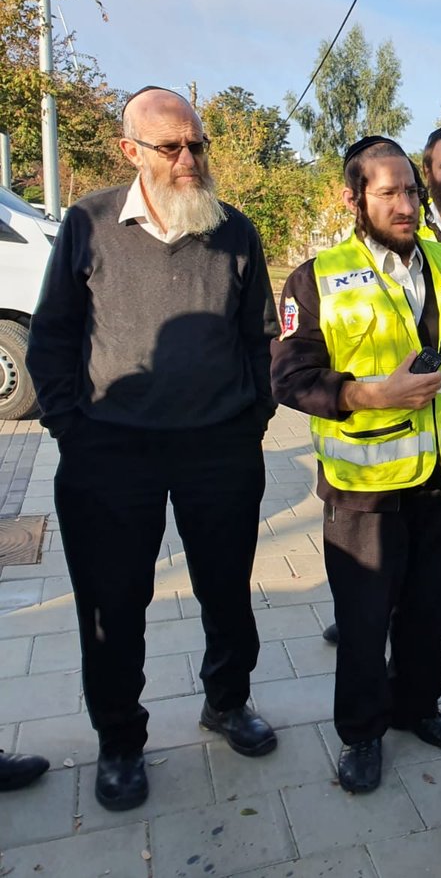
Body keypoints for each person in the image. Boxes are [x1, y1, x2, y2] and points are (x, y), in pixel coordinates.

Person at [26, 86, 279, 813]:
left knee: (228, 592)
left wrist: (250, 420)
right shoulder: (89, 224)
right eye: (172, 147)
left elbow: (258, 335)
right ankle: (120, 742)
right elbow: (52, 337)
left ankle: (227, 703)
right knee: (113, 606)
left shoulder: (236, 230)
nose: (190, 158)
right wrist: (74, 429)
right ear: (130, 150)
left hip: (219, 452)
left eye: (197, 143)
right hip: (111, 456)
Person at [270, 136, 441, 794]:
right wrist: (370, 393)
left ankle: (416, 707)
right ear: (354, 199)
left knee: (429, 613)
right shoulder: (315, 279)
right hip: (366, 483)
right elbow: (289, 379)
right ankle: (362, 732)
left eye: (411, 189)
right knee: (367, 620)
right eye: (390, 192)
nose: (407, 203)